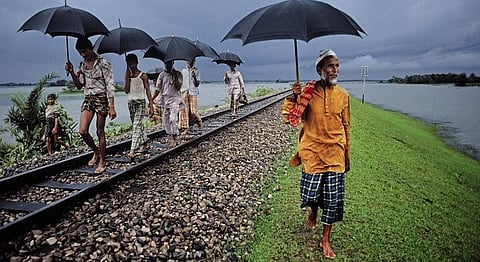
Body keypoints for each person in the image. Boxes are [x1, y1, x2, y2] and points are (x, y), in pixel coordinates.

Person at [284, 49, 350, 259]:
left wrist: (346, 153)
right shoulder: (307, 93)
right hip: (312, 152)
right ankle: (313, 210)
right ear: (320, 69)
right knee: (310, 195)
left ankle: (325, 239)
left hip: (335, 153)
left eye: (337, 65)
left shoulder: (343, 95)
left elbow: (346, 126)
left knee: (332, 200)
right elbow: (289, 118)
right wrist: (294, 97)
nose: (335, 70)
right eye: (330, 66)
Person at [65, 37, 117, 174]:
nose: (83, 54)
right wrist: (71, 72)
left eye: (85, 51)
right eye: (80, 52)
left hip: (101, 98)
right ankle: (96, 151)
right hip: (88, 98)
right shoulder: (82, 65)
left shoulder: (103, 63)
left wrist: (112, 107)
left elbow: (110, 85)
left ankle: (102, 161)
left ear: (91, 48)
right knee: (82, 130)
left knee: (100, 131)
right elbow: (78, 85)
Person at [124, 54, 154, 159]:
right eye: (129, 63)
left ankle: (132, 150)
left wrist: (151, 104)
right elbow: (126, 90)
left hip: (140, 102)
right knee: (137, 124)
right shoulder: (128, 75)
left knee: (136, 125)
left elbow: (148, 90)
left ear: (137, 63)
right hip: (131, 102)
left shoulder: (143, 75)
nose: (132, 65)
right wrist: (127, 78)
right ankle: (145, 142)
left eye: (133, 63)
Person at [152, 60, 184, 147]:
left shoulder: (178, 74)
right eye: (166, 63)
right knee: (165, 120)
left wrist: (174, 76)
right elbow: (158, 89)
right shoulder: (162, 75)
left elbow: (179, 86)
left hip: (175, 99)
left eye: (170, 63)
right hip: (165, 100)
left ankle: (174, 138)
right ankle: (171, 135)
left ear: (173, 63)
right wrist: (152, 99)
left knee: (173, 119)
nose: (168, 65)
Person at [179, 59, 202, 135]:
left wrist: (194, 76)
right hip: (184, 91)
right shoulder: (183, 71)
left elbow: (197, 84)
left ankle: (199, 121)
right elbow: (181, 82)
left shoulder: (197, 71)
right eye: (188, 61)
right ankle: (186, 128)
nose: (190, 62)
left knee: (193, 111)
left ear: (194, 61)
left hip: (193, 91)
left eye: (191, 61)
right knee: (184, 111)